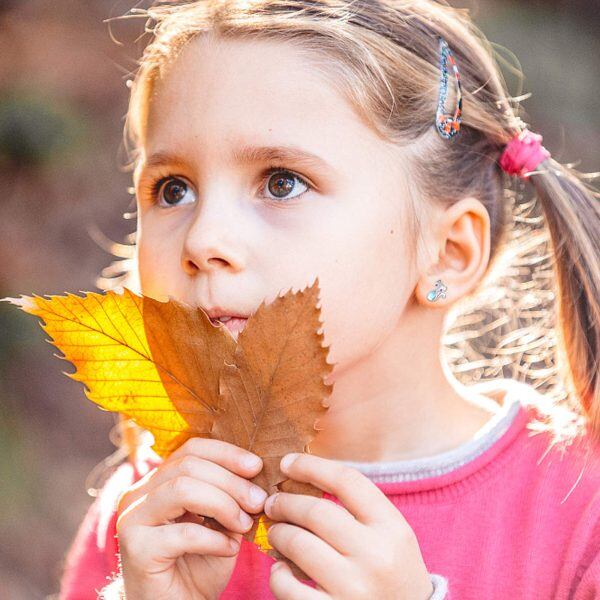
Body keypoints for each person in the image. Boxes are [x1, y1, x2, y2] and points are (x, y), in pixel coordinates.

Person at [58, 0, 600, 598]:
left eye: (282, 182)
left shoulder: (579, 511)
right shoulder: (157, 512)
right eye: (173, 189)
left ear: (448, 253)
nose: (203, 239)